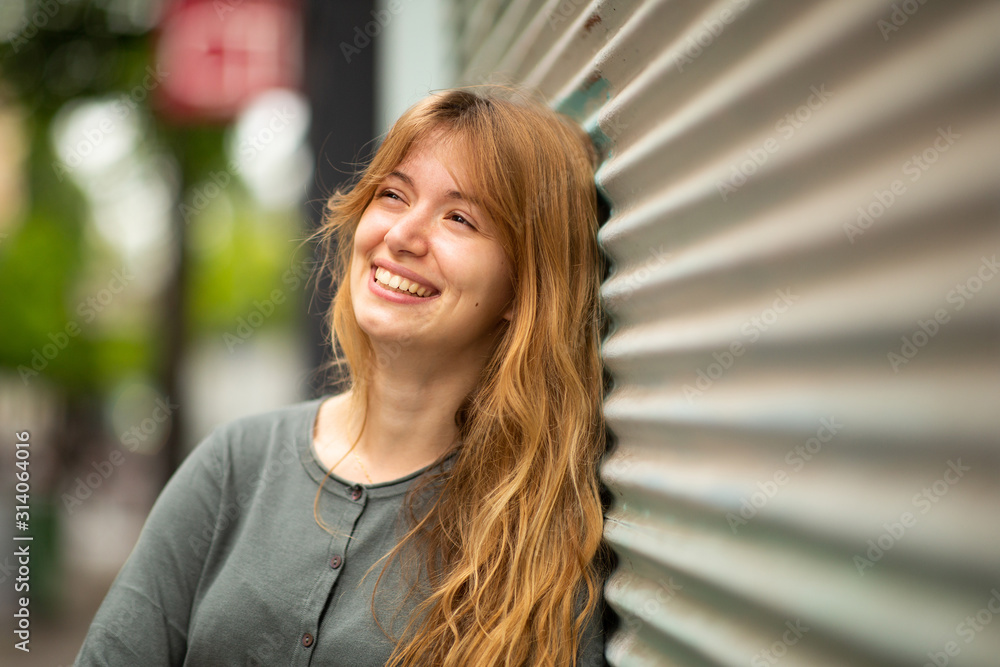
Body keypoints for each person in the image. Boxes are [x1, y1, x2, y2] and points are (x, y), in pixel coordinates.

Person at [75, 86, 609, 666]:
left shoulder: (540, 531)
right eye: (393, 195)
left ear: (524, 285)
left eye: (459, 217)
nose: (402, 235)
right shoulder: (238, 463)